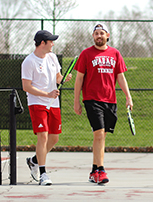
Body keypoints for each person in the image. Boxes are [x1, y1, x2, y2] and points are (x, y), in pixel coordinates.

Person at [73, 23, 133, 184]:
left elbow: (121, 76)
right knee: (99, 134)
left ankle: (93, 171)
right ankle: (101, 170)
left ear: (107, 36)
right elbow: (79, 79)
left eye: (102, 33)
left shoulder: (115, 53)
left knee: (101, 137)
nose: (99, 36)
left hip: (110, 100)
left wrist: (128, 96)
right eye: (96, 33)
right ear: (93, 36)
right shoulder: (86, 54)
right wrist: (76, 101)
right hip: (92, 99)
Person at [21, 30, 72, 186]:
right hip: (37, 102)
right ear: (42, 43)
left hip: (53, 103)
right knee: (42, 136)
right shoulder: (29, 62)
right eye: (51, 41)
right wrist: (46, 94)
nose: (53, 44)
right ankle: (43, 174)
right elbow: (26, 87)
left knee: (54, 137)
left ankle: (34, 160)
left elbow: (58, 77)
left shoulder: (52, 57)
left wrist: (64, 78)